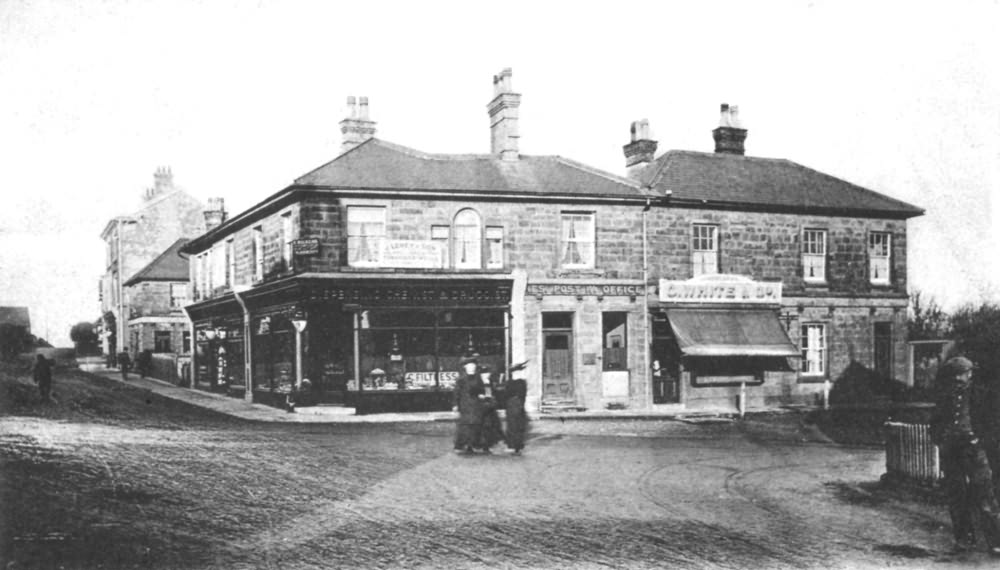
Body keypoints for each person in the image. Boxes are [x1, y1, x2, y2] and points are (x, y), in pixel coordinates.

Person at [930, 356, 1000, 555]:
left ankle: (996, 541)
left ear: (970, 374)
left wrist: (980, 440)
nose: (960, 378)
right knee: (956, 495)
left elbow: (994, 422)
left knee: (985, 494)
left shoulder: (983, 395)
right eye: (957, 375)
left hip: (974, 450)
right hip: (951, 451)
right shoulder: (945, 396)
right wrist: (941, 441)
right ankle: (964, 539)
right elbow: (935, 422)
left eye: (964, 374)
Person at [453, 353, 486, 454]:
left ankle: (473, 444)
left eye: (473, 366)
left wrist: (482, 395)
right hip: (465, 405)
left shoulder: (478, 378)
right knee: (465, 425)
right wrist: (455, 404)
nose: (472, 368)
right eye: (470, 366)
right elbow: (456, 392)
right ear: (465, 367)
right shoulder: (461, 379)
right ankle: (462, 444)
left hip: (476, 405)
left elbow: (482, 390)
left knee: (475, 425)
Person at [504, 360, 529, 455]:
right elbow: (506, 395)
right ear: (512, 373)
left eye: (518, 372)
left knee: (517, 427)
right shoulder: (511, 382)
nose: (517, 374)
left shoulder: (521, 383)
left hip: (517, 406)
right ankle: (512, 445)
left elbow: (521, 395)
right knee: (512, 426)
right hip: (511, 406)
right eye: (515, 372)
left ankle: (516, 446)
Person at [478, 364, 505, 453]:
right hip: (482, 408)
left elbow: (493, 394)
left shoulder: (490, 383)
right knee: (483, 427)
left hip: (490, 408)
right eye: (483, 374)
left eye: (487, 373)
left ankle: (487, 445)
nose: (485, 375)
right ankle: (482, 445)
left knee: (490, 427)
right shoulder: (479, 384)